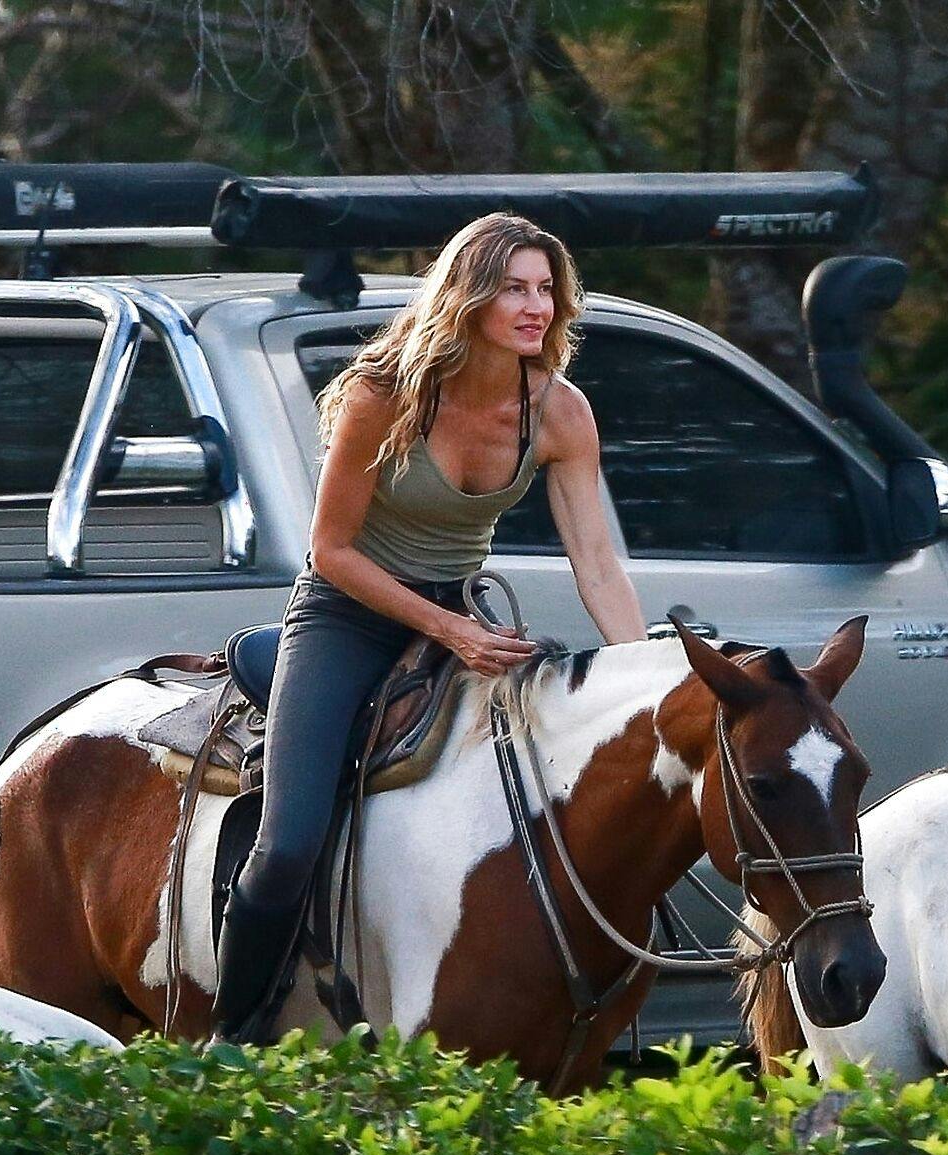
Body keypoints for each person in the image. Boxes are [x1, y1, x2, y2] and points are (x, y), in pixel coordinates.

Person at [211, 213, 647, 1043]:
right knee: (290, 846)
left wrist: (642, 673)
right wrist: (449, 633)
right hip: (348, 614)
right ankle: (229, 1037)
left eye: (547, 289)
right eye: (515, 288)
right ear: (470, 296)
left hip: (461, 609)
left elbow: (598, 563)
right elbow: (330, 551)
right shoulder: (384, 395)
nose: (536, 307)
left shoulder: (560, 412)